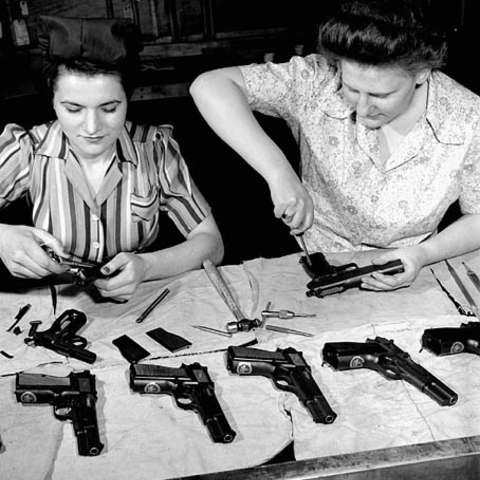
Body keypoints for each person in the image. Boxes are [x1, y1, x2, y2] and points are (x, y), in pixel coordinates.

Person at [190, 0, 480, 292]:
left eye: (381, 94)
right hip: (314, 266)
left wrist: (422, 254)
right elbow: (209, 86)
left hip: (411, 273)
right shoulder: (315, 81)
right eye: (352, 89)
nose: (363, 109)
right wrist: (279, 173)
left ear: (422, 73)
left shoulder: (468, 116)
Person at [0, 16, 223, 302]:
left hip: (144, 304)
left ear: (128, 100)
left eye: (109, 108)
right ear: (53, 102)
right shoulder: (27, 149)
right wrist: (2, 238)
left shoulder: (154, 149)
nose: (92, 128)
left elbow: (211, 243)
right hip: (56, 307)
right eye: (73, 109)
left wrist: (146, 266)